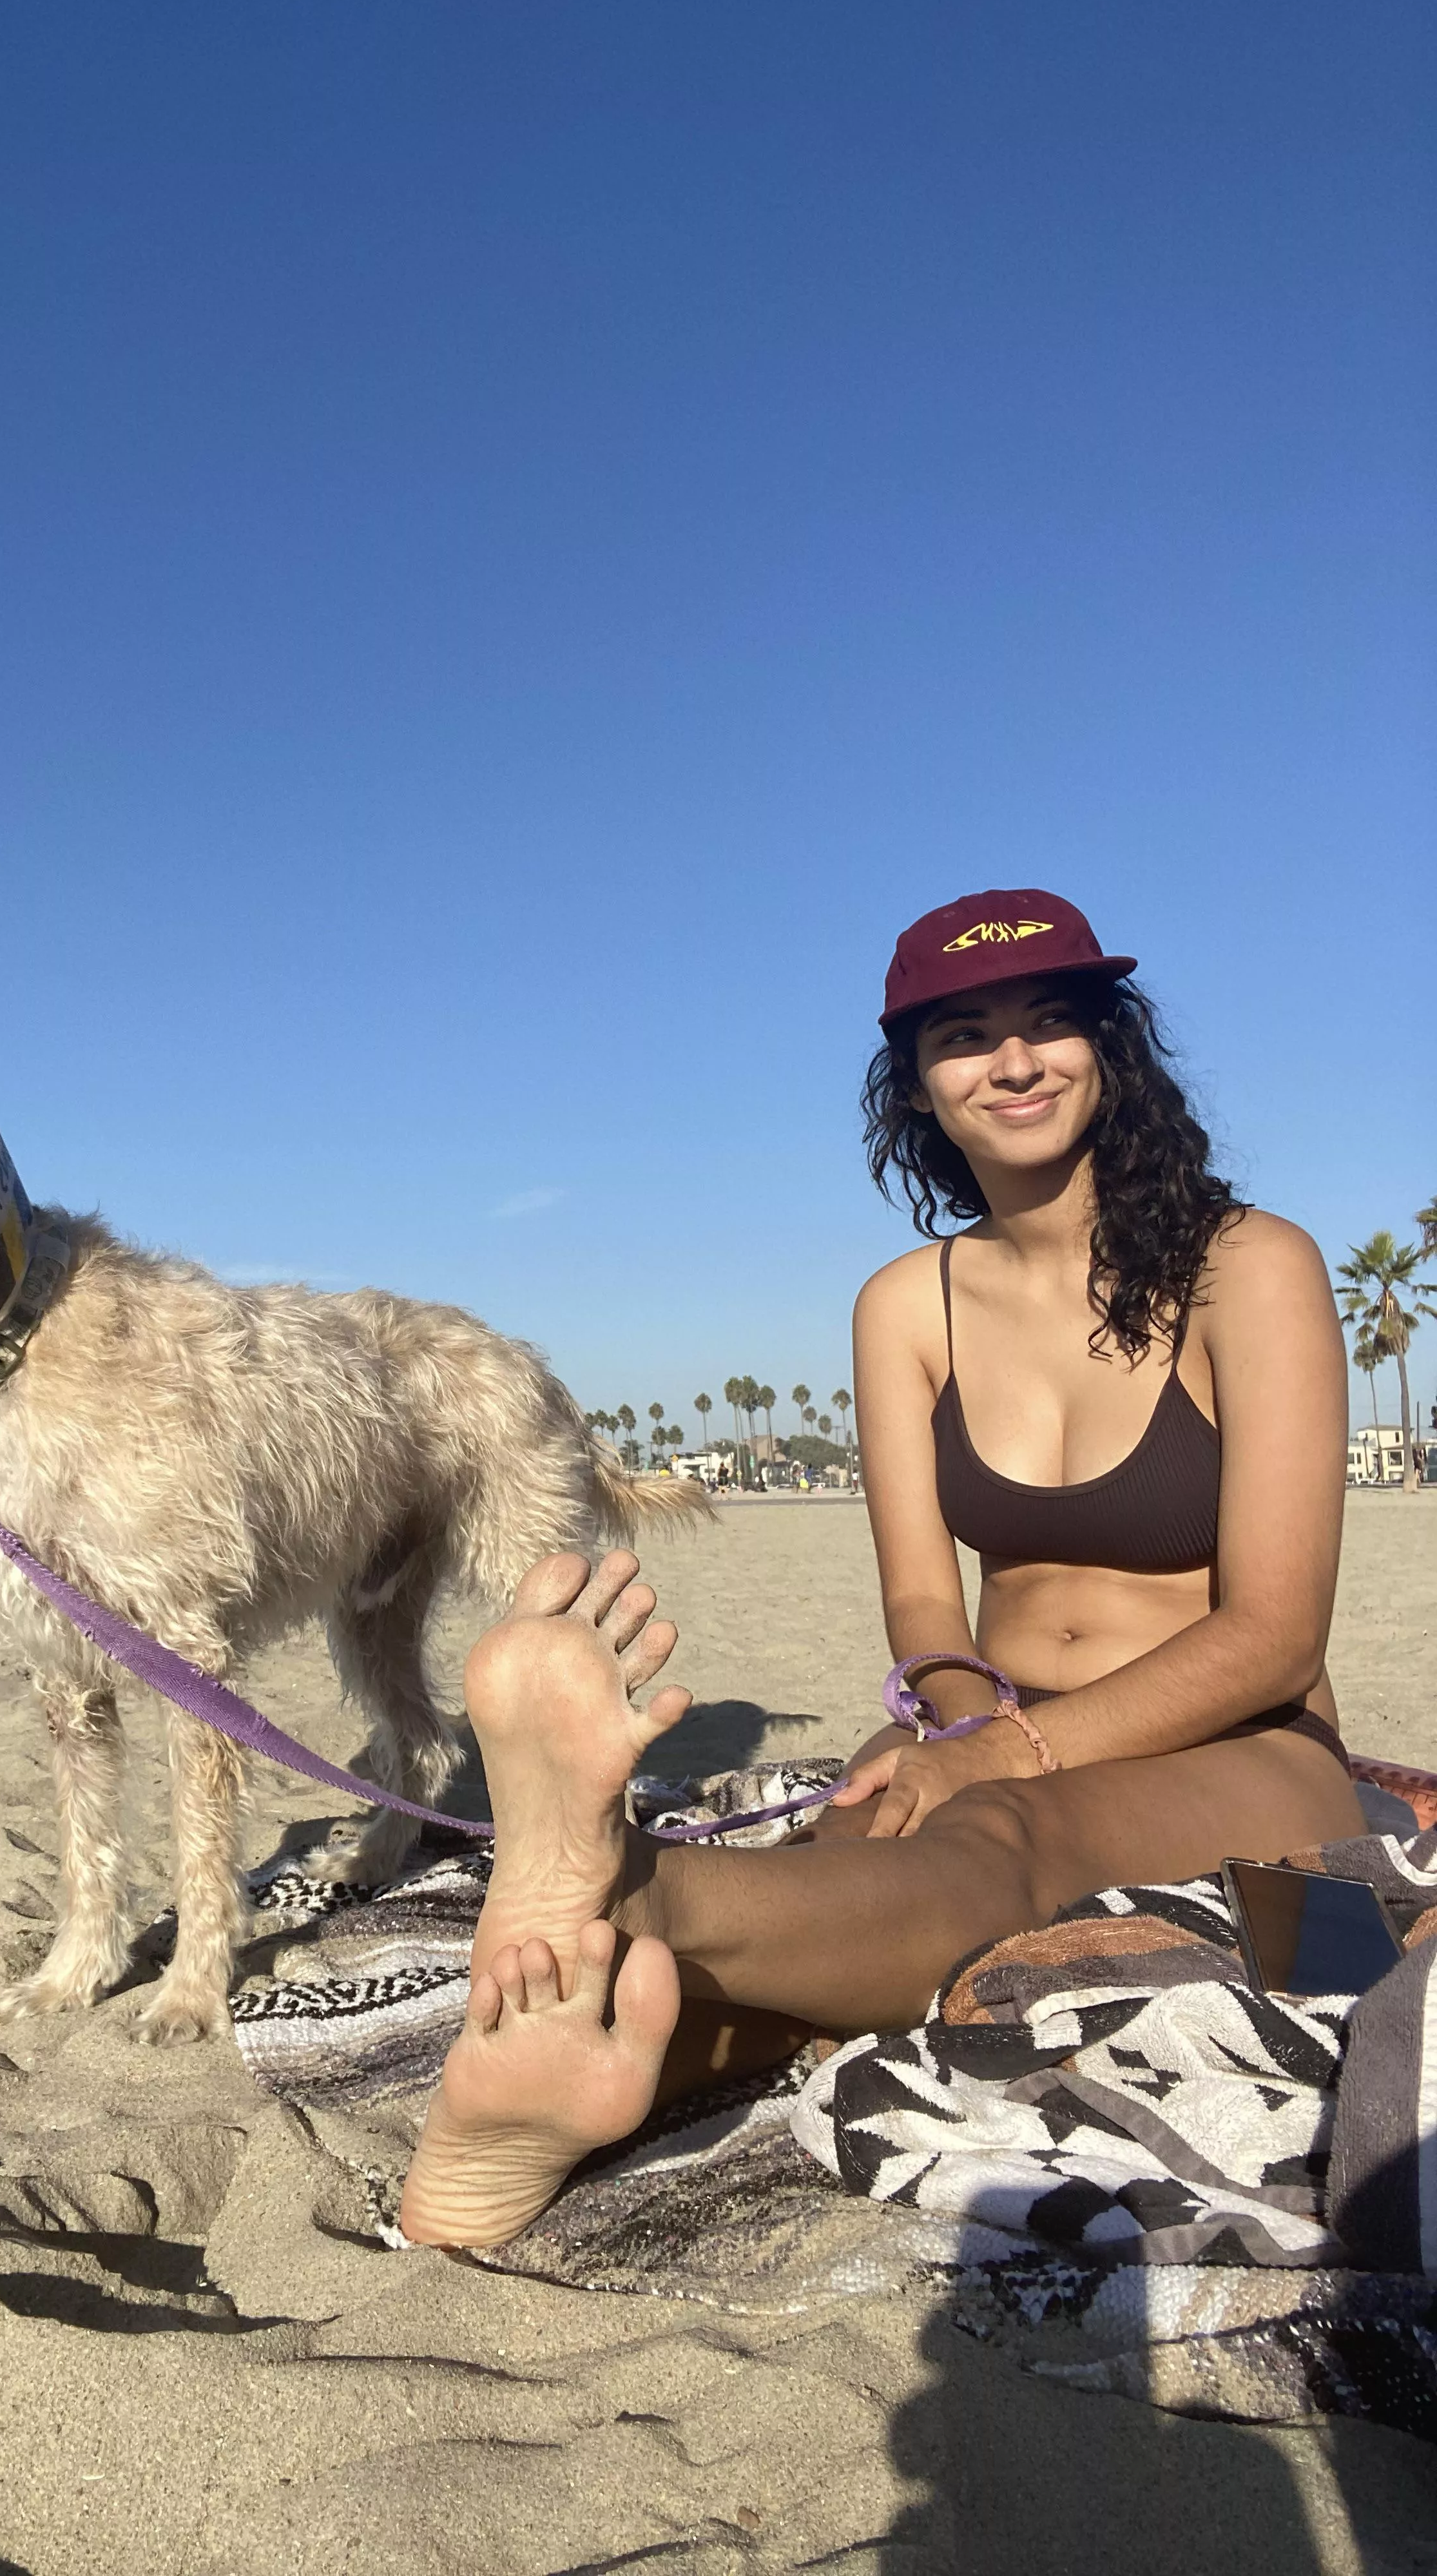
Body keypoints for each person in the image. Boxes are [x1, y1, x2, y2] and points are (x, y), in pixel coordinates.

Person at [400, 888, 1362, 2248]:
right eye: (966, 1035)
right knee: (857, 1850)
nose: (1014, 1061)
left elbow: (1272, 1630)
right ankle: (556, 2100)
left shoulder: (1247, 1268)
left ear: (1111, 1044)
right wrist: (967, 1732)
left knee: (1006, 1839)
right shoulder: (907, 1305)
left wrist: (1012, 1763)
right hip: (990, 1702)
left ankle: (631, 1887)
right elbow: (923, 1601)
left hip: (1242, 1735)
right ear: (916, 1084)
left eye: (1049, 1022)